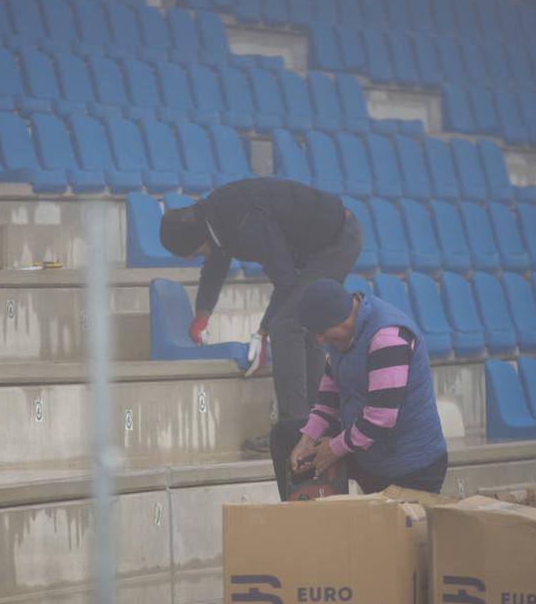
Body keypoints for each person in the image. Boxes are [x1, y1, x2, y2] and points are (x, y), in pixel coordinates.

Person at [159, 178, 362, 452]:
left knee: (286, 325)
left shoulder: (243, 223)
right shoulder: (215, 216)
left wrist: (263, 331)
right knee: (305, 325)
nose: (200, 255)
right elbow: (216, 261)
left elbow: (286, 278)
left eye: (195, 252)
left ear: (197, 240)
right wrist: (202, 314)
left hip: (335, 242)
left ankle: (296, 431)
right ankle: (318, 425)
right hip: (330, 238)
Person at [270, 278, 447, 499]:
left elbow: (380, 419)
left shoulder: (387, 338)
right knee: (286, 435)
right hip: (369, 453)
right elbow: (327, 400)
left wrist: (332, 449)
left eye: (322, 332)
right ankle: (306, 525)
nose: (319, 339)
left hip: (409, 464)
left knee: (393, 532)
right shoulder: (342, 338)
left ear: (342, 318)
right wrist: (306, 441)